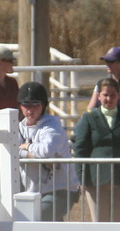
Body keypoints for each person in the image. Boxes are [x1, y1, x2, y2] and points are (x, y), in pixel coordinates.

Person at [74, 77, 120, 222]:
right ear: (99, 96)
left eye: (112, 95)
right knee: (99, 222)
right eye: (105, 95)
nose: (109, 99)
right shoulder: (88, 118)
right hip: (95, 179)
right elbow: (80, 149)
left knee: (119, 222)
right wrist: (82, 178)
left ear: (119, 96)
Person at [16, 81, 79, 222]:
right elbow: (13, 150)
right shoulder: (19, 127)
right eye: (26, 104)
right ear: (20, 106)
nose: (30, 109)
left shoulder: (52, 125)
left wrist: (25, 147)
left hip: (61, 189)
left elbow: (46, 151)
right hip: (34, 191)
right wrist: (29, 154)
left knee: (35, 219)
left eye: (35, 104)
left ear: (43, 105)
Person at [87, 46, 120, 118]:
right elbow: (90, 109)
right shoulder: (100, 84)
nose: (107, 64)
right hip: (100, 125)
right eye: (106, 61)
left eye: (111, 61)